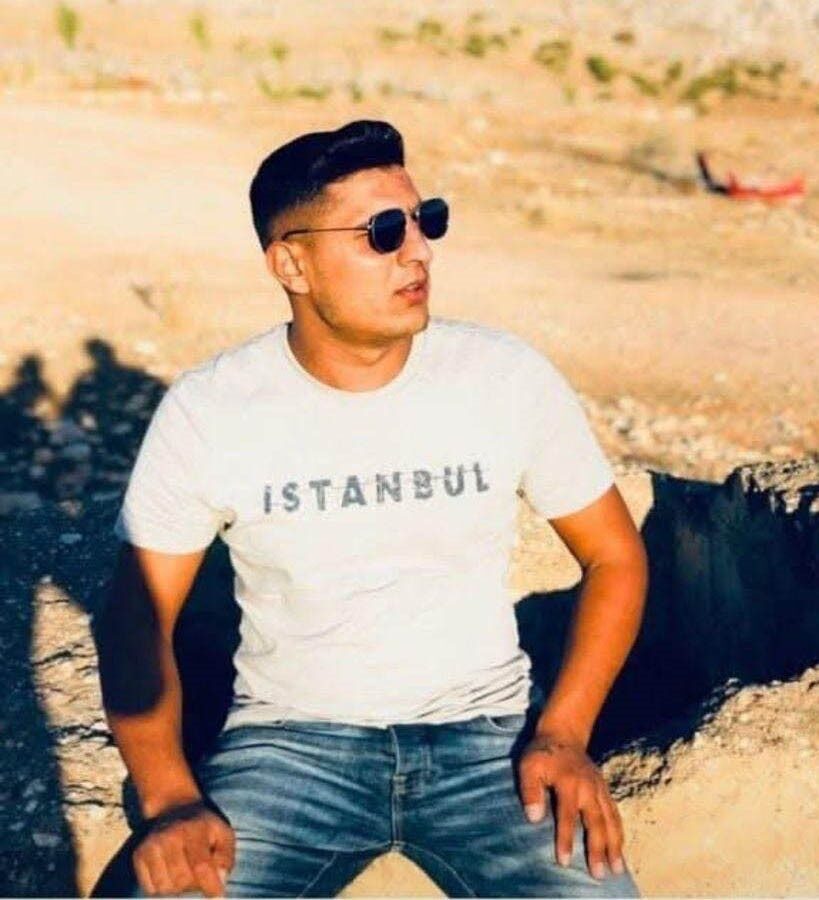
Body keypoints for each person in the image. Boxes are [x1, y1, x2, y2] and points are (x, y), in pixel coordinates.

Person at [98, 119, 648, 898]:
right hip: (289, 752)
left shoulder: (501, 377)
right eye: (382, 232)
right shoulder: (213, 409)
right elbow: (135, 614)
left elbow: (613, 555)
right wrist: (170, 798)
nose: (418, 252)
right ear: (291, 263)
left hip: (490, 746)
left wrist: (563, 732)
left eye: (426, 221)